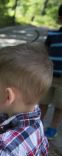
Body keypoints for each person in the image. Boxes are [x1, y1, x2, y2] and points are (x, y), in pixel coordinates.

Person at [40, 4, 62, 139]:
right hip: (49, 75)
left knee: (60, 106)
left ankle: (53, 128)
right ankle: (37, 124)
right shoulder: (52, 35)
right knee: (43, 102)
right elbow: (44, 52)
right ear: (60, 18)